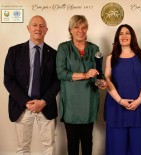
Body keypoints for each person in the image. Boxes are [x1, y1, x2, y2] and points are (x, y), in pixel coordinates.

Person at [4, 15, 60, 155]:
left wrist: (43, 101)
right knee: (22, 148)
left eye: (42, 26)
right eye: (35, 25)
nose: (38, 28)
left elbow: (58, 81)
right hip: (22, 106)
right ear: (28, 28)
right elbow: (8, 80)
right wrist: (25, 102)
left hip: (45, 106)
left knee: (49, 146)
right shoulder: (14, 51)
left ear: (46, 30)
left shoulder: (54, 54)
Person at [56, 15, 106, 155]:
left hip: (89, 101)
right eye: (76, 27)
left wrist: (102, 82)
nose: (80, 30)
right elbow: (61, 73)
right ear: (70, 30)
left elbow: (98, 73)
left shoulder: (95, 48)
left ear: (87, 29)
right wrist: (85, 75)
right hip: (71, 103)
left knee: (87, 141)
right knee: (72, 142)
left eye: (83, 27)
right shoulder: (63, 48)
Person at [104, 24, 141, 155]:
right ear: (117, 38)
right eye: (121, 34)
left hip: (139, 106)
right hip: (116, 107)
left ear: (132, 36)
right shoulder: (110, 58)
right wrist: (120, 101)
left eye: (127, 33)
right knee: (117, 148)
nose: (124, 36)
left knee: (138, 147)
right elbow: (107, 80)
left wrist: (139, 100)